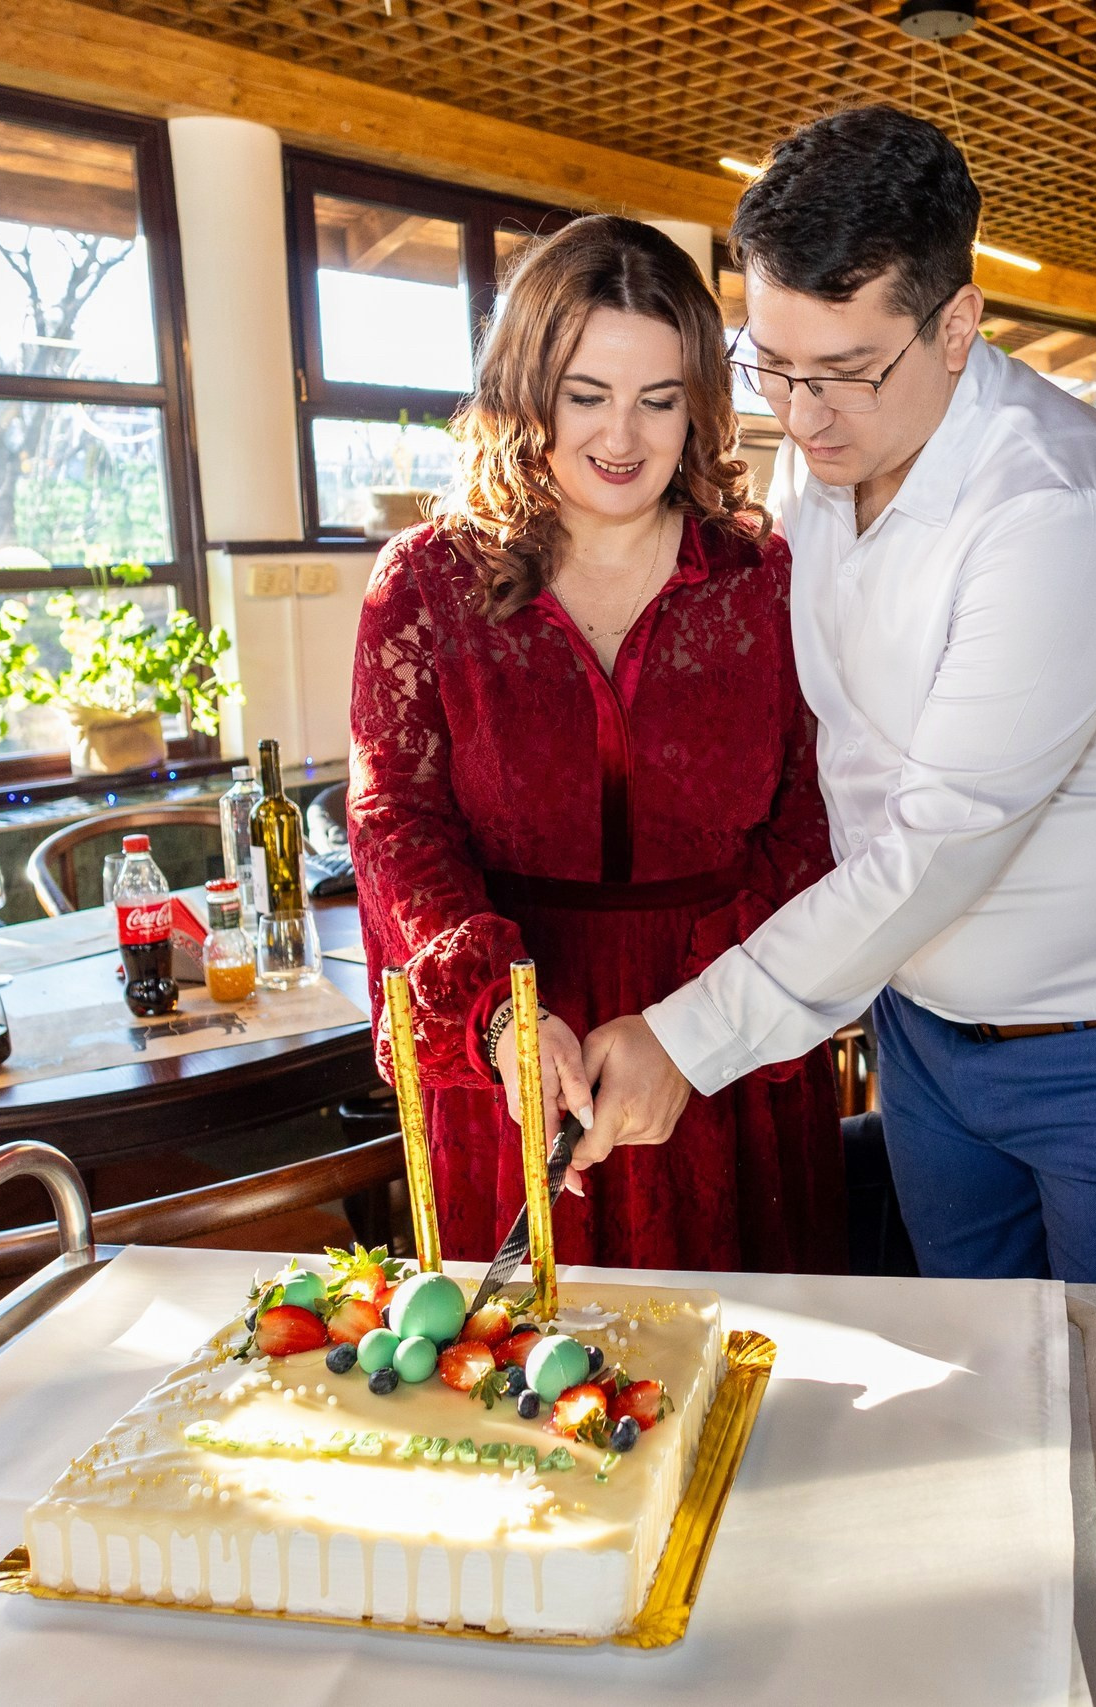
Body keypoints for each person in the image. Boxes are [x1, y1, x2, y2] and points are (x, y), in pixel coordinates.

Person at [578, 108, 1096, 1690]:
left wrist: (688, 1034)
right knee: (1002, 1442)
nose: (802, 414)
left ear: (958, 322)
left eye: (845, 371)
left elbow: (937, 843)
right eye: (774, 366)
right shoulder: (826, 458)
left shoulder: (1059, 507)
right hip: (932, 1039)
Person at [346, 214, 845, 1274]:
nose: (623, 437)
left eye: (658, 400)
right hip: (522, 1062)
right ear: (525, 392)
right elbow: (397, 824)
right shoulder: (425, 583)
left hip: (723, 1054)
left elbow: (811, 823)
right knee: (521, 1366)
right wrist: (500, 1021)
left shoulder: (765, 583)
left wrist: (699, 1028)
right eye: (586, 396)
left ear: (699, 406)